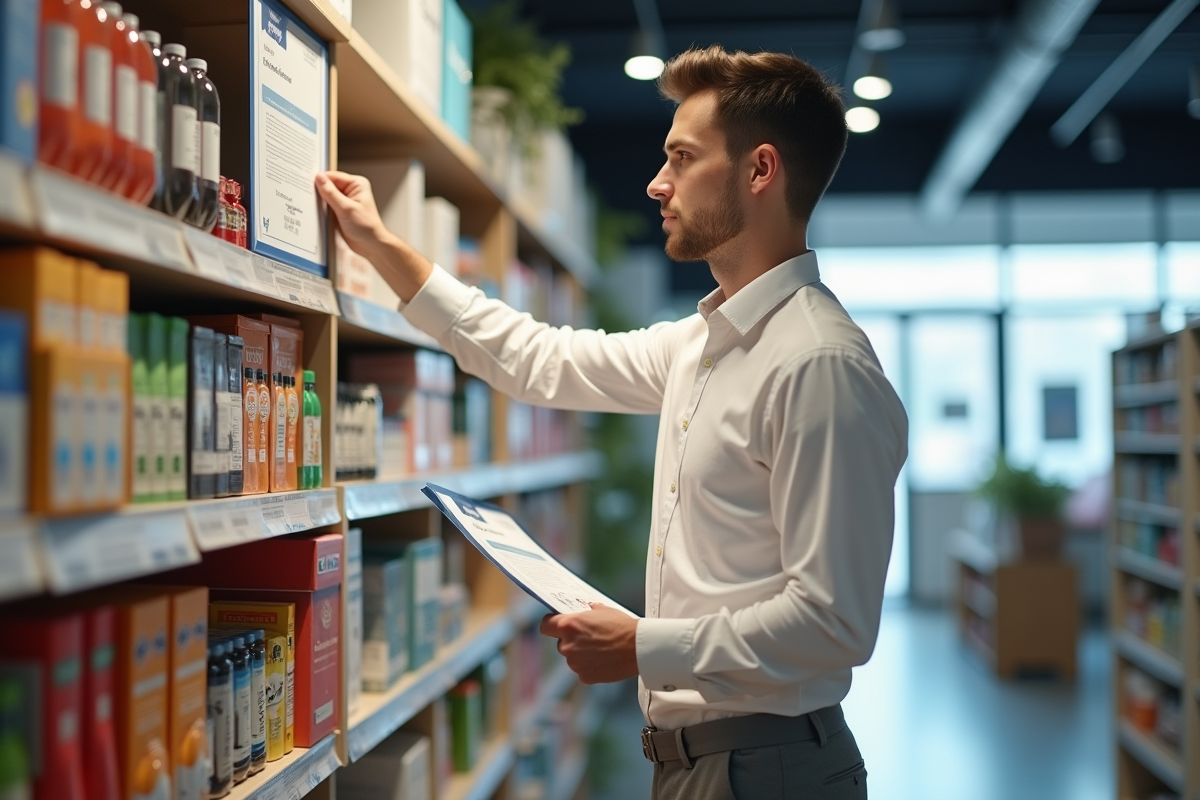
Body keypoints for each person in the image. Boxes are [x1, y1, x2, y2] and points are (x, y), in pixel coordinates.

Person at [317, 44, 907, 800]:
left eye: (682, 158)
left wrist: (642, 645)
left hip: (768, 768)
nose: (658, 184)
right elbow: (538, 359)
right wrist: (384, 247)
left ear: (760, 171)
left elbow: (833, 625)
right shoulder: (701, 344)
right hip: (698, 763)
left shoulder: (818, 367)